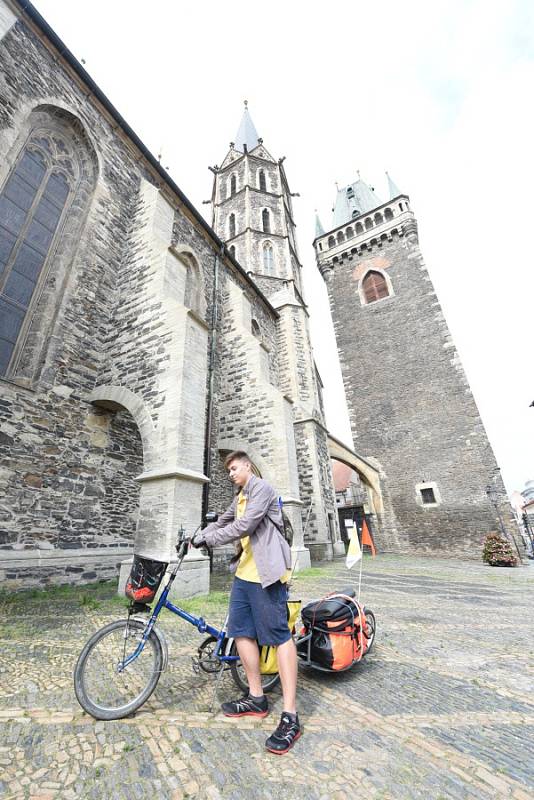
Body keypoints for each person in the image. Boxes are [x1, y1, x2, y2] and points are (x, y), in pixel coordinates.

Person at [193, 450, 301, 754]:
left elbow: (246, 526)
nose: (230, 474)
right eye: (227, 471)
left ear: (248, 466)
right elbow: (225, 520)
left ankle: (290, 715)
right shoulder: (239, 496)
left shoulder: (262, 489)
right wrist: (197, 536)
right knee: (241, 632)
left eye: (234, 468)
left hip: (267, 574)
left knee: (279, 635)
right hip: (244, 574)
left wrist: (210, 540)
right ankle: (256, 697)